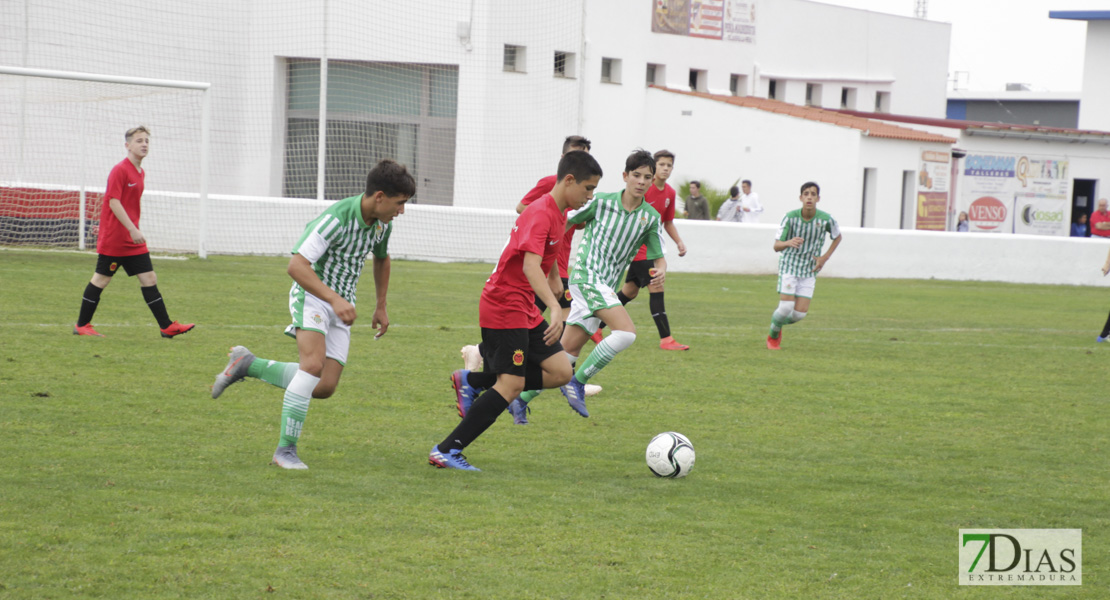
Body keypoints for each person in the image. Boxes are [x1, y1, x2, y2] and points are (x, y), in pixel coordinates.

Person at [210, 159, 414, 470]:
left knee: (324, 386)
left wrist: (381, 304)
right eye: (399, 203)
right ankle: (285, 451)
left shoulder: (383, 225)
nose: (401, 211)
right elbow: (296, 266)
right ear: (380, 196)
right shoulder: (335, 219)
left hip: (340, 305)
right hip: (314, 296)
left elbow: (381, 260)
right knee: (312, 365)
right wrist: (333, 299)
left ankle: (248, 364)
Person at [429, 151, 603, 470]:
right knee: (512, 386)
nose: (589, 196)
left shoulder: (558, 215)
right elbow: (529, 264)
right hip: (504, 305)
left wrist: (560, 293)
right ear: (569, 181)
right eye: (588, 188)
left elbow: (546, 264)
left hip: (523, 308)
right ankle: (447, 449)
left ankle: (473, 380)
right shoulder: (540, 213)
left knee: (561, 371)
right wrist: (553, 306)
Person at [508, 149, 667, 424]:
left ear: (652, 182)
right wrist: (546, 258)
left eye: (647, 177)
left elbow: (659, 258)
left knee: (564, 357)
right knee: (626, 333)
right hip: (585, 277)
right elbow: (561, 223)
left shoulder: (650, 217)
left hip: (603, 285)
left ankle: (519, 400)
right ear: (625, 176)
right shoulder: (601, 202)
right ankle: (578, 384)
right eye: (637, 175)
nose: (641, 181)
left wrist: (661, 271)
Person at [459, 134, 602, 397]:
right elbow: (523, 208)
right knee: (549, 321)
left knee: (539, 332)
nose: (590, 194)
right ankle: (561, 380)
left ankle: (487, 372)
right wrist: (535, 235)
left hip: (551, 270)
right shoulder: (548, 194)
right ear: (564, 165)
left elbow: (565, 231)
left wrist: (554, 272)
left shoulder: (571, 202)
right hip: (526, 277)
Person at [73, 126, 194, 338]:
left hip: (131, 240)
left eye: (147, 140)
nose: (144, 144)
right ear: (127, 145)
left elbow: (124, 204)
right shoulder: (120, 169)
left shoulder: (140, 172)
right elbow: (112, 201)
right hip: (117, 240)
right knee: (101, 280)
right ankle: (82, 325)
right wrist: (130, 229)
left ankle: (166, 326)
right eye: (139, 141)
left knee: (149, 278)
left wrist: (111, 226)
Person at [616, 149, 690, 351]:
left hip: (652, 248)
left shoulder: (670, 194)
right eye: (662, 165)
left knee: (629, 292)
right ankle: (666, 339)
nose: (665, 169)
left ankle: (595, 326)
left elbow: (667, 222)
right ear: (653, 167)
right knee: (657, 285)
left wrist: (679, 242)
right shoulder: (642, 190)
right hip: (640, 250)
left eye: (669, 165)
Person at [766, 181, 842, 350]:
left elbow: (837, 236)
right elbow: (776, 246)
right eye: (806, 194)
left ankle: (776, 323)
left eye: (813, 194)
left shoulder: (826, 219)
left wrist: (824, 257)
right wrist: (788, 242)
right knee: (785, 307)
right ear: (800, 197)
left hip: (809, 270)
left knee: (799, 314)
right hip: (789, 266)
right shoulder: (790, 217)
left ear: (818, 198)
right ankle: (773, 335)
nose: (809, 197)